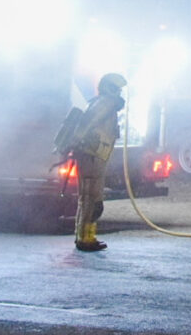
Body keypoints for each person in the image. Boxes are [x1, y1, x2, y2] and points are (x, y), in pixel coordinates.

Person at [72, 73, 127, 252]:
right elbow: (88, 123)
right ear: (109, 88)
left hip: (93, 155)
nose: (119, 93)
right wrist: (80, 141)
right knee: (91, 198)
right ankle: (85, 239)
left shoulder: (99, 102)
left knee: (87, 197)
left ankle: (83, 236)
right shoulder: (105, 104)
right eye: (117, 89)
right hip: (93, 156)